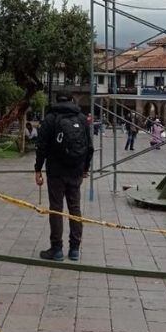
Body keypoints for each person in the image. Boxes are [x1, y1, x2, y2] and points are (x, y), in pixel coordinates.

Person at [34, 92, 93, 262]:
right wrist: (85, 168)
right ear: (72, 101)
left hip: (56, 172)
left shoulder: (50, 119)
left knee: (56, 208)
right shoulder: (81, 119)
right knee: (75, 208)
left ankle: (57, 249)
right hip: (76, 170)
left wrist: (38, 169)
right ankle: (74, 249)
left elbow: (42, 147)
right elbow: (89, 147)